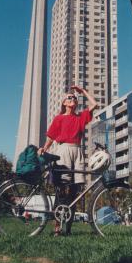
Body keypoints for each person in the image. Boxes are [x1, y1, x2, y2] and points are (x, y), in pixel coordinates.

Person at [38, 86, 97, 236]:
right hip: (63, 151)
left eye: (74, 98)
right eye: (69, 97)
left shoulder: (80, 117)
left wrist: (82, 91)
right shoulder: (59, 118)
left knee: (74, 192)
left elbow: (95, 104)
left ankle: (68, 229)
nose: (73, 99)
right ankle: (57, 228)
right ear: (64, 102)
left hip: (77, 151)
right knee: (61, 191)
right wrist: (44, 148)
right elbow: (51, 137)